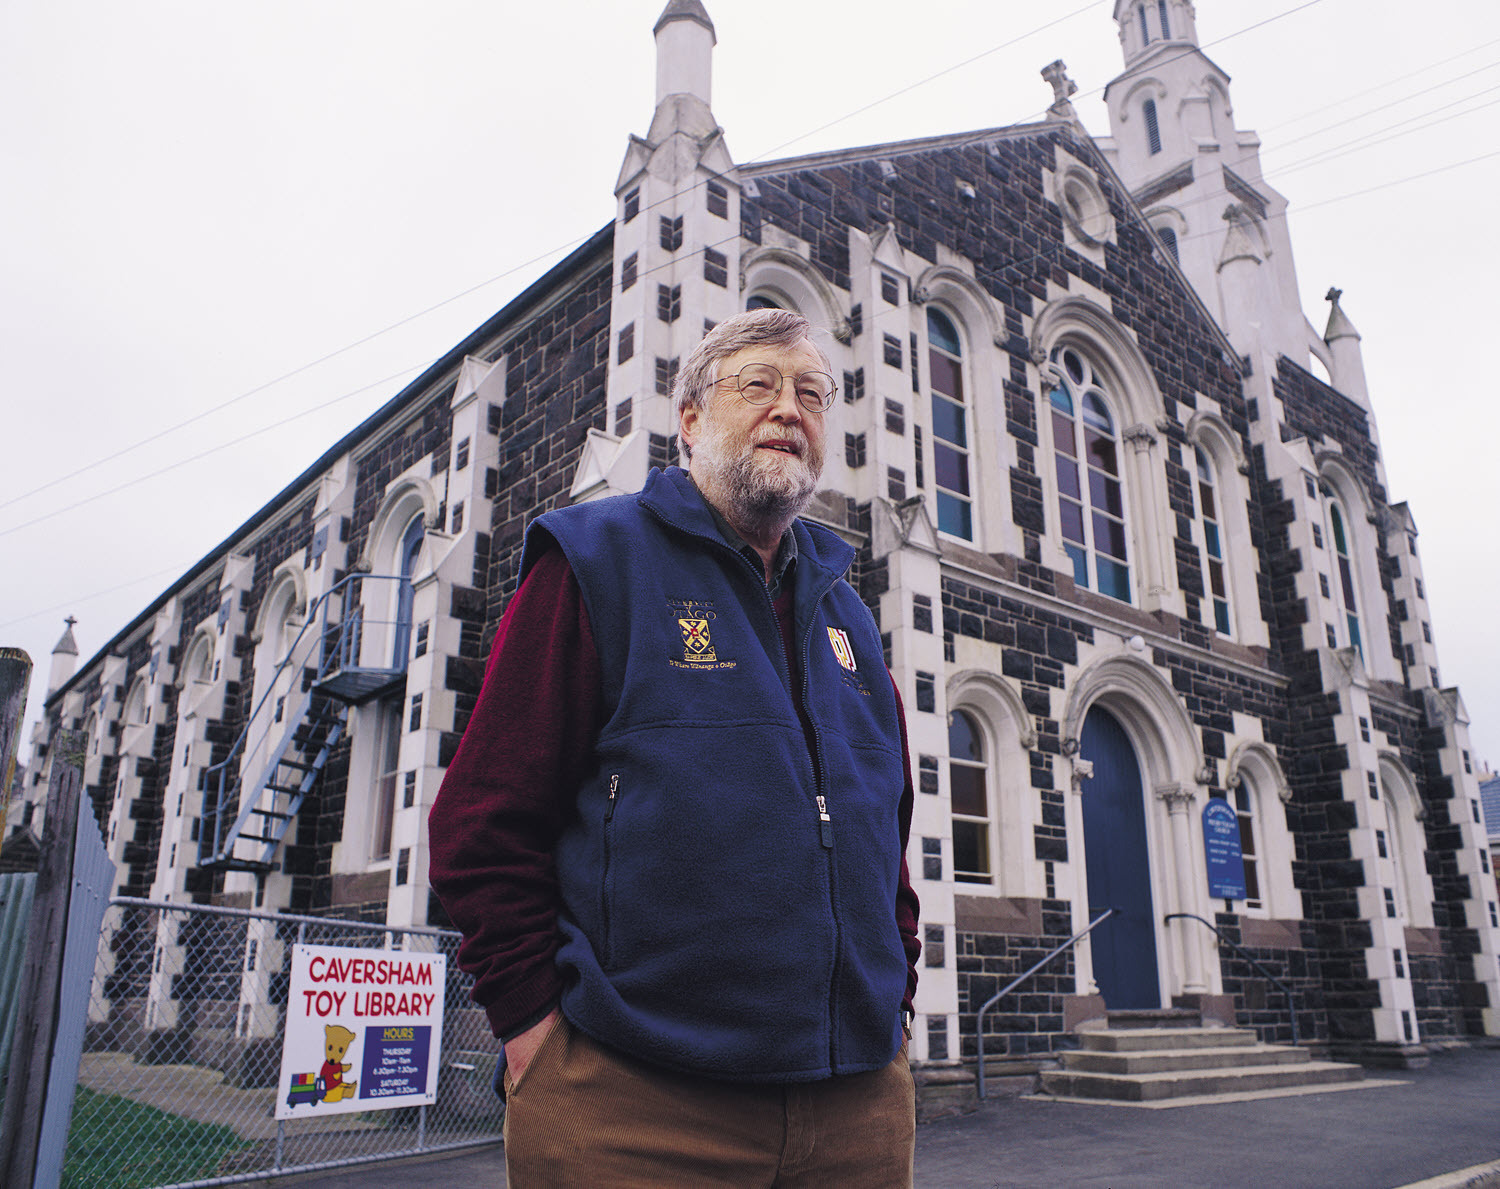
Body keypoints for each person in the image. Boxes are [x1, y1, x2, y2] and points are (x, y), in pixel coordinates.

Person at [428, 307, 921, 1186]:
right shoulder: (595, 559)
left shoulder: (848, 609)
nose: (789, 409)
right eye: (758, 385)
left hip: (857, 1108)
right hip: (636, 1105)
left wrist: (898, 1005)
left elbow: (886, 835)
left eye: (811, 393)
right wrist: (533, 1030)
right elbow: (481, 821)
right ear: (689, 420)